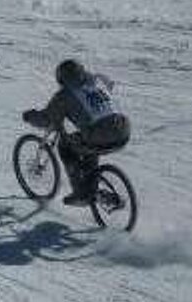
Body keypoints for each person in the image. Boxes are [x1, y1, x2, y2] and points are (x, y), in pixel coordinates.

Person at [22, 59, 130, 206]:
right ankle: (92, 184)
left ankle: (81, 194)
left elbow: (47, 119)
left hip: (101, 135)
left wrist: (30, 116)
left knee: (65, 147)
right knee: (88, 144)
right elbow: (107, 91)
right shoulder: (96, 82)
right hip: (123, 130)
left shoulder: (64, 95)